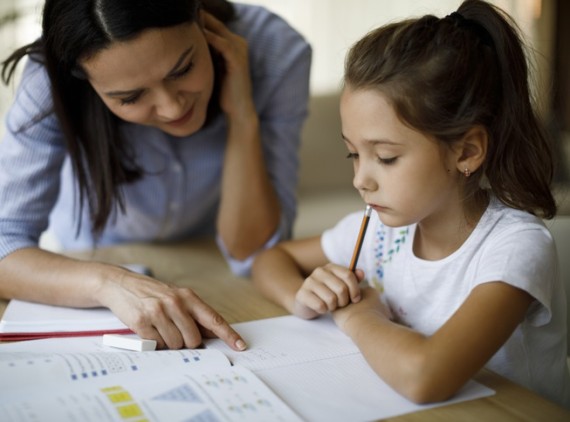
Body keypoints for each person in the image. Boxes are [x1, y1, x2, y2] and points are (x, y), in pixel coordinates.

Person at [252, 0, 570, 408]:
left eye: (385, 157)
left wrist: (357, 315)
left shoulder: (514, 249)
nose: (360, 179)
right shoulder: (381, 232)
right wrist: (301, 295)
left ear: (467, 152)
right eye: (354, 154)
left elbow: (425, 378)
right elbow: (270, 260)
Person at [0, 0, 311, 351]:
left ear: (199, 18)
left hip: (211, 259)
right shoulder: (47, 79)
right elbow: (4, 240)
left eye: (183, 69)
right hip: (95, 257)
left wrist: (242, 115)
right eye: (130, 97)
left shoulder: (275, 47)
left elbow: (254, 252)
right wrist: (108, 283)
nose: (172, 108)